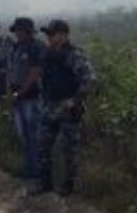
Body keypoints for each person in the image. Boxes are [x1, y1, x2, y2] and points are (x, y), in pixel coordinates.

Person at [34, 20, 94, 196]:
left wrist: (74, 101)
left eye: (51, 35)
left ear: (63, 35)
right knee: (43, 146)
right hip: (49, 105)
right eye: (48, 35)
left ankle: (69, 185)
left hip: (67, 107)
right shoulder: (48, 54)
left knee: (70, 149)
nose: (49, 38)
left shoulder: (74, 55)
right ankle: (45, 183)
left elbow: (89, 80)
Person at [8, 17, 44, 179]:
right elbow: (11, 70)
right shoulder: (16, 47)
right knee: (23, 135)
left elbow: (35, 72)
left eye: (19, 31)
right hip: (17, 96)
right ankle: (28, 168)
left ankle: (36, 171)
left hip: (31, 96)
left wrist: (21, 91)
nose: (17, 33)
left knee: (33, 135)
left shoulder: (35, 47)